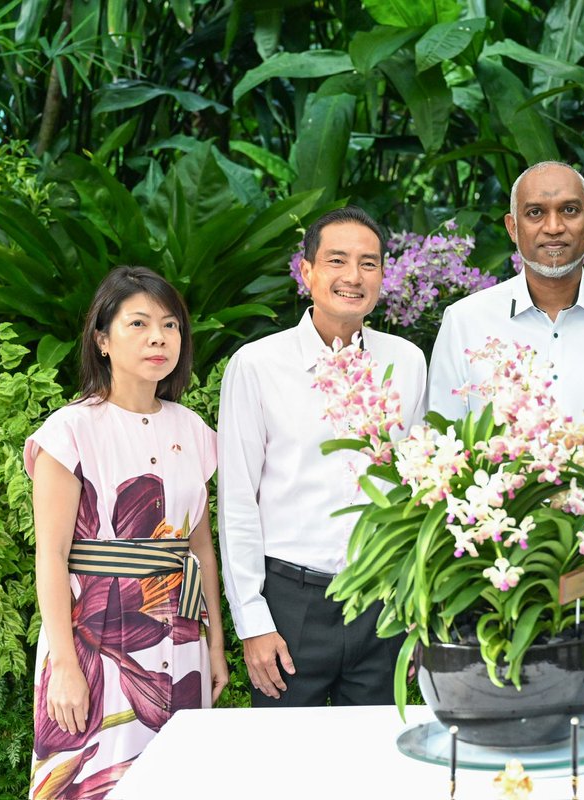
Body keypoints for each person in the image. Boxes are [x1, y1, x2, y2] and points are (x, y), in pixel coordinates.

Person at [428, 161, 584, 701]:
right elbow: (440, 460)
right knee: (492, 723)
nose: (554, 226)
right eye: (535, 213)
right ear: (513, 227)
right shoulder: (466, 322)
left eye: (568, 211)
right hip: (489, 573)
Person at [27, 266, 228, 799]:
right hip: (95, 637)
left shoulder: (195, 431)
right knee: (98, 777)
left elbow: (200, 547)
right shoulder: (69, 431)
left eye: (169, 325)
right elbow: (50, 557)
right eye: (137, 323)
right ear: (102, 339)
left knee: (179, 779)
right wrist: (65, 665)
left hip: (181, 631)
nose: (157, 337)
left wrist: (215, 645)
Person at [218, 206, 427, 707]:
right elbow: (237, 502)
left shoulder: (407, 361)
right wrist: (253, 621)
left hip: (383, 602)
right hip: (292, 604)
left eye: (369, 263)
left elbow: (421, 492)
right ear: (306, 270)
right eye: (337, 260)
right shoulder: (257, 365)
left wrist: (418, 607)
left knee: (375, 770)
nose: (353, 277)